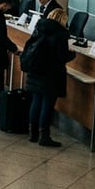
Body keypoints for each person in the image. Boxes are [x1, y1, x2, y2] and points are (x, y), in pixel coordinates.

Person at [22, 8, 74, 147]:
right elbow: (61, 56)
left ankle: (33, 133)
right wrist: (72, 55)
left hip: (36, 71)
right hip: (51, 74)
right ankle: (44, 136)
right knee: (47, 105)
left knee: (36, 102)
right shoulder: (61, 34)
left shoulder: (39, 27)